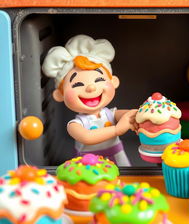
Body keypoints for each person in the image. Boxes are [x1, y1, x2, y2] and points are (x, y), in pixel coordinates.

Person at [42, 35, 137, 166]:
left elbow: (129, 115)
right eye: (77, 85)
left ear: (114, 82)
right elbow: (87, 137)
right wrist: (116, 130)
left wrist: (139, 115)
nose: (91, 88)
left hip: (117, 157)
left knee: (126, 182)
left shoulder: (110, 114)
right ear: (60, 95)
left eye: (98, 80)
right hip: (88, 163)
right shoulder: (75, 124)